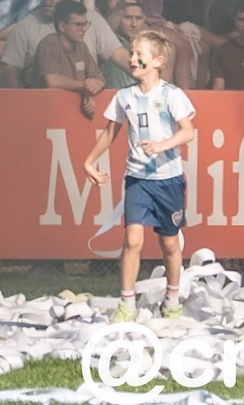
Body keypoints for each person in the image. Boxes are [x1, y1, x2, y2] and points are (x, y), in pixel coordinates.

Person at [84, 28, 196, 323]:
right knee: (132, 239)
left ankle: (172, 301)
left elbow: (188, 131)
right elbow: (110, 132)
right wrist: (89, 161)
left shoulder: (172, 95)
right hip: (137, 180)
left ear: (158, 61)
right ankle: (127, 304)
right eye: (131, 53)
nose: (132, 59)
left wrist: (162, 145)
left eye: (139, 55)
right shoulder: (124, 97)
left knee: (169, 243)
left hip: (168, 180)